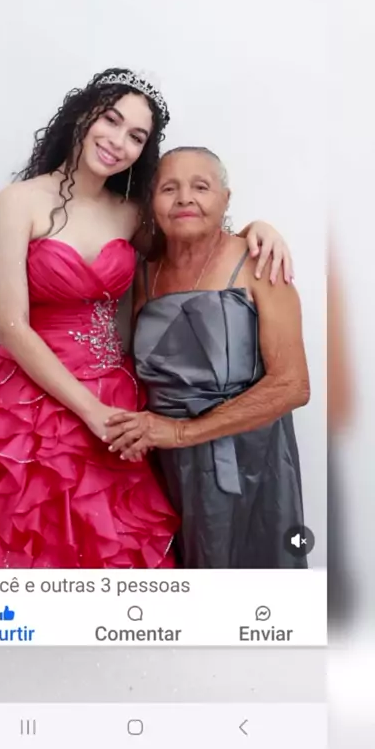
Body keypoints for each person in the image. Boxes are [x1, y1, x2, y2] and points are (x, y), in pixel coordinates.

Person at [0, 69, 294, 569]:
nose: (118, 141)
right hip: (33, 399)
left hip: (119, 397)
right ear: (82, 116)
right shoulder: (18, 202)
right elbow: (12, 328)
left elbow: (194, 242)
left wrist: (259, 229)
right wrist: (91, 412)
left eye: (136, 136)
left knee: (114, 549)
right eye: (111, 120)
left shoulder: (132, 214)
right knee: (26, 546)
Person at [105, 146, 310, 569]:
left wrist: (182, 432)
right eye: (169, 188)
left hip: (248, 460)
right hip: (164, 463)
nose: (185, 198)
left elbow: (293, 386)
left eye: (201, 187)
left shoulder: (260, 264)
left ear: (225, 199)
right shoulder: (144, 272)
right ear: (152, 201)